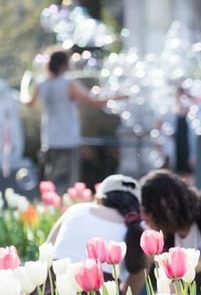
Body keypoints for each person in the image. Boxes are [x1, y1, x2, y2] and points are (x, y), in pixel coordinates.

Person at [18, 174, 147, 295]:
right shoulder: (140, 232)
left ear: (99, 198)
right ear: (138, 207)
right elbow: (130, 292)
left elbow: (45, 255)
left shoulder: (76, 210)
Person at [24, 50, 125, 194]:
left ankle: (51, 211)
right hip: (67, 140)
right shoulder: (68, 84)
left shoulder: (42, 84)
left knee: (50, 182)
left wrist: (24, 89)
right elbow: (92, 101)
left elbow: (29, 102)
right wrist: (118, 97)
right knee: (66, 184)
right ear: (63, 64)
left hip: (49, 139)